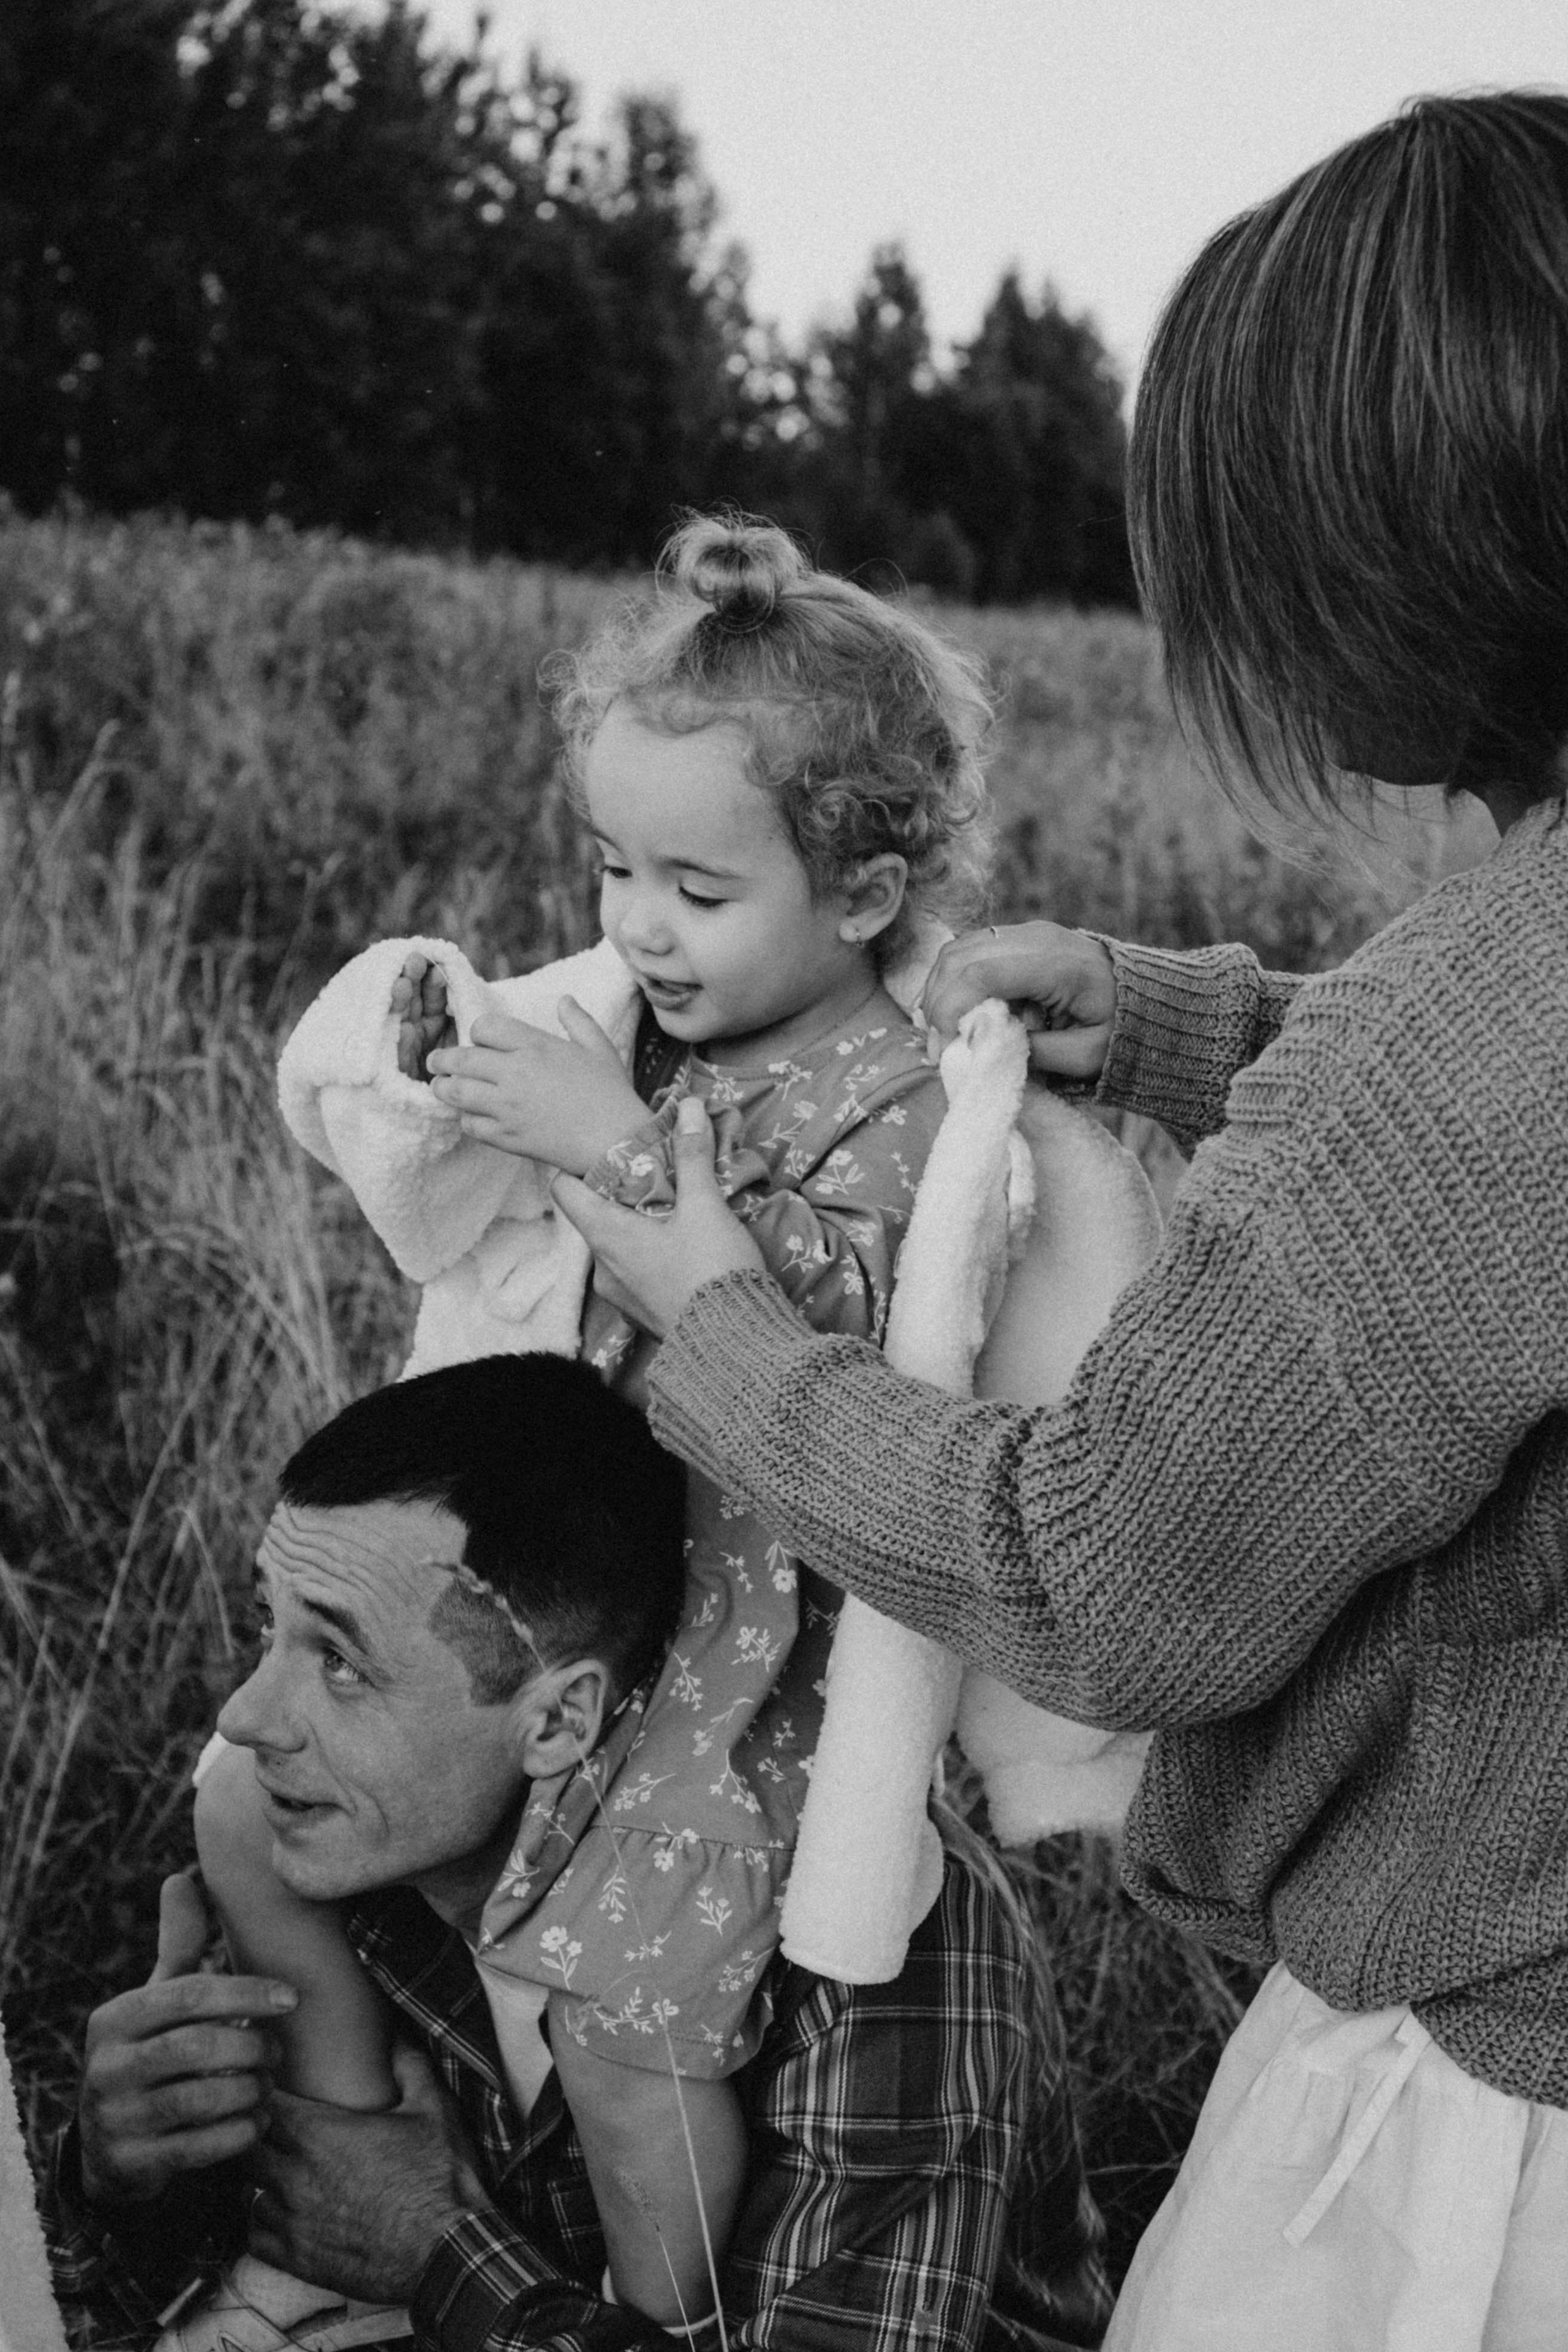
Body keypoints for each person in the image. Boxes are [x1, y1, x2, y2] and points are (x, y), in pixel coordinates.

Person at [549, 94, 1568, 2351]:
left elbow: (1104, 1587)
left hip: (1492, 2119)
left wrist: (714, 1320)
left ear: (1406, 559)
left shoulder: (1485, 1029)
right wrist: (1197, 1028)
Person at [192, 512, 996, 2331]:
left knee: (635, 2035)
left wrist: (607, 1150)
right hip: (633, 1624)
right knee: (517, 1961)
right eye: (611, 868)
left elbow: (815, 1345)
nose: (638, 927)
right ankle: (411, 2215)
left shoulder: (907, 1112)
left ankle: (672, 2322)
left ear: (864, 894)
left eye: (698, 893)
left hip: (761, 1664)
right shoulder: (669, 1035)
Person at [42, 1356, 1113, 2352]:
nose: (242, 1714)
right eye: (267, 1629)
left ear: (558, 1724)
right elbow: (235, 2267)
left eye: (341, 1662)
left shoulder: (866, 1940)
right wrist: (118, 2182)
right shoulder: (328, 1846)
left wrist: (439, 2255)